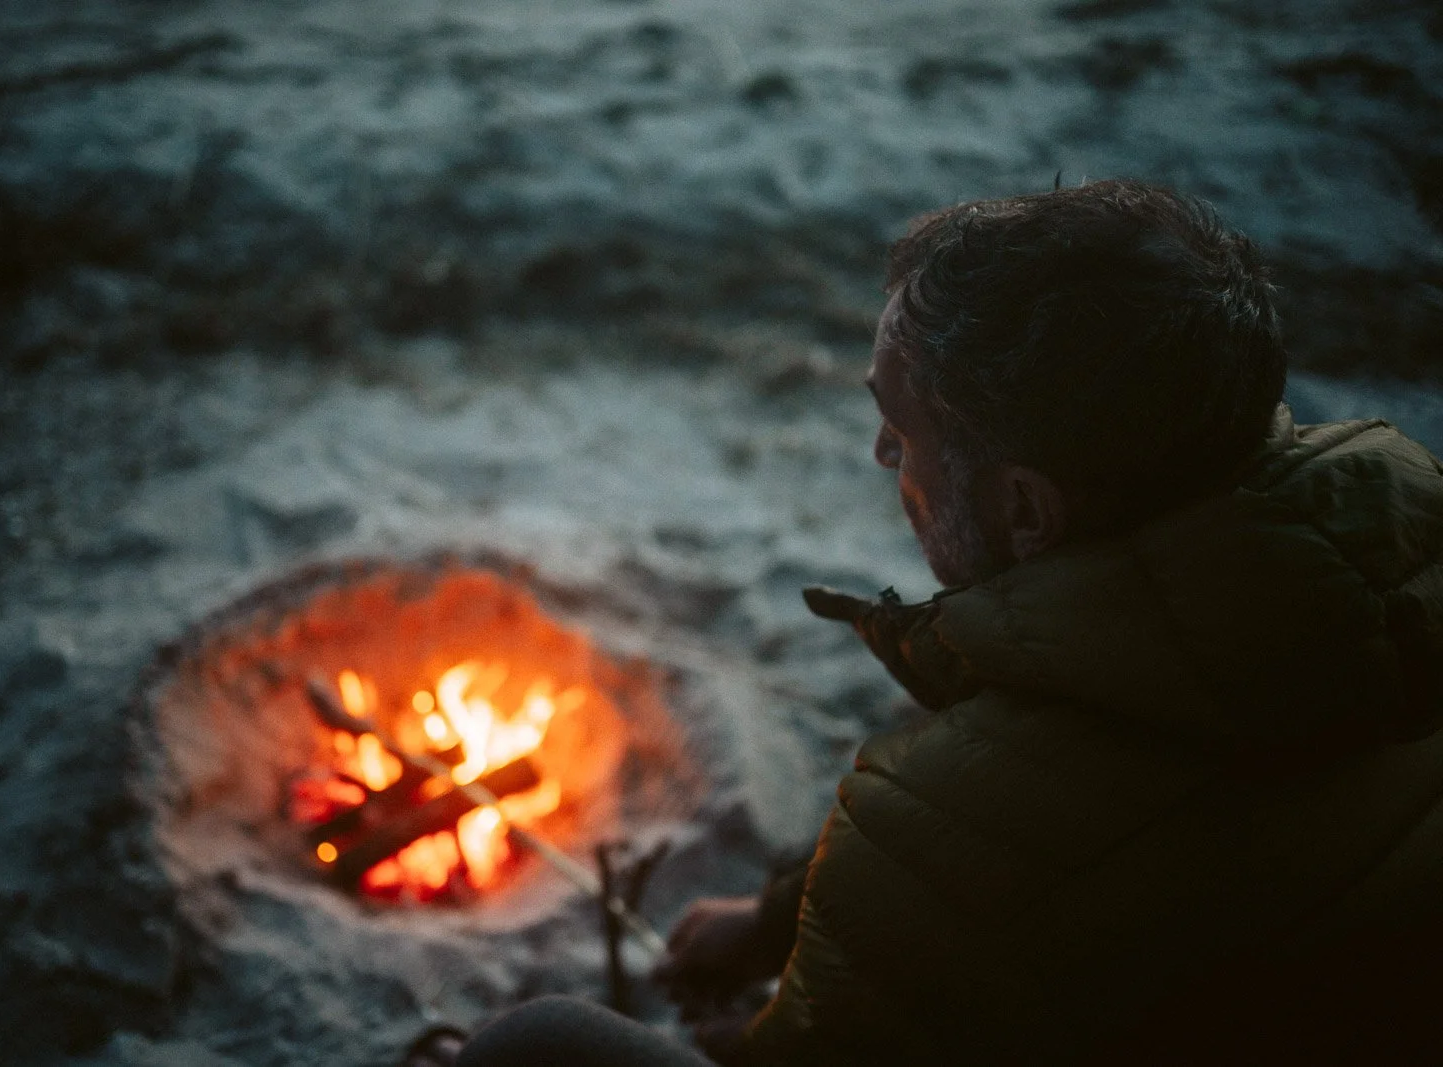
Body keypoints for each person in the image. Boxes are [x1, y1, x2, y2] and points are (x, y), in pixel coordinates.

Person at [430, 178, 1443, 1066]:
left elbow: (968, 872)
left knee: (531, 1043)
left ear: (1023, 511)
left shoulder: (943, 835)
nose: (881, 453)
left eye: (901, 423)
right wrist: (772, 918)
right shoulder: (1402, 566)